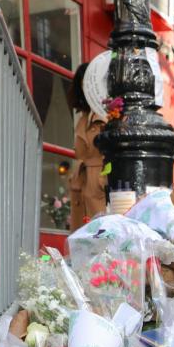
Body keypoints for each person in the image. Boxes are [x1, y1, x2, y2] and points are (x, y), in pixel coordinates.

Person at [68, 62, 107, 231]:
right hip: (81, 186)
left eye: (91, 82)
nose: (88, 88)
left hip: (99, 185)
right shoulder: (83, 118)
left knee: (101, 238)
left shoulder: (108, 114)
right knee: (81, 242)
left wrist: (102, 179)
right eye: (83, 84)